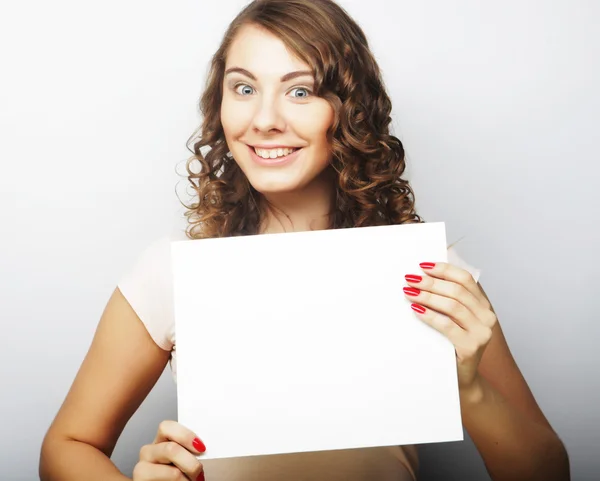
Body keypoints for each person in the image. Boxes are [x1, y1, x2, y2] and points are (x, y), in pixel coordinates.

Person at [39, 1, 570, 480]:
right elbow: (65, 447)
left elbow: (548, 471)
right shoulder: (173, 271)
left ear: (348, 110)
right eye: (244, 88)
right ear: (219, 104)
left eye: (301, 90)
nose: (265, 120)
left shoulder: (427, 271)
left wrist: (466, 387)